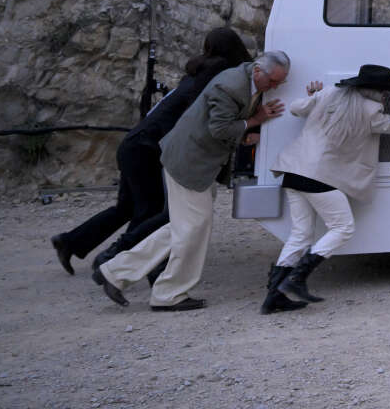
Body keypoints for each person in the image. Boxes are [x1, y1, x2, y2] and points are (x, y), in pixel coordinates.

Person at [94, 51, 289, 311]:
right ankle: (167, 294)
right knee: (193, 228)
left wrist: (244, 137)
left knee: (182, 227)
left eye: (280, 83)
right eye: (273, 81)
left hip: (195, 163)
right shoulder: (231, 86)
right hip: (189, 164)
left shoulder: (243, 79)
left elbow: (219, 126)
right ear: (257, 71)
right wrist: (256, 120)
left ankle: (116, 272)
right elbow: (219, 128)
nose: (275, 87)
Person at [51, 27, 252, 276]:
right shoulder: (220, 76)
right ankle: (115, 262)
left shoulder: (197, 70)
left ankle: (72, 242)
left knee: (128, 207)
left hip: (135, 142)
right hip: (147, 149)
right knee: (151, 210)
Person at [262, 64, 390, 313]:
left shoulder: (328, 93)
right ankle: (296, 279)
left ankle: (273, 296)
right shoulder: (370, 109)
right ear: (375, 90)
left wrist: (312, 98)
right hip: (319, 176)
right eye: (384, 91)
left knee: (301, 234)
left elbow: (296, 109)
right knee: (343, 227)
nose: (385, 96)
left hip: (293, 170)